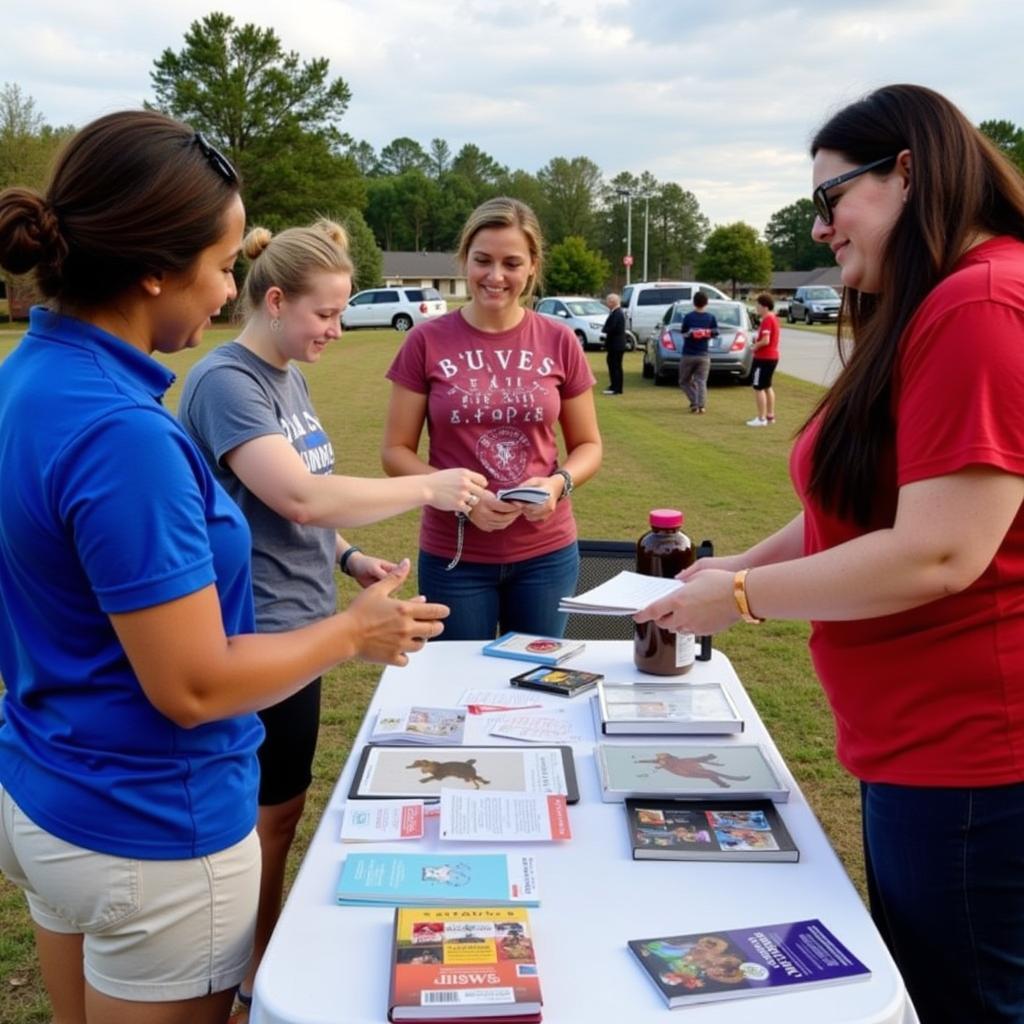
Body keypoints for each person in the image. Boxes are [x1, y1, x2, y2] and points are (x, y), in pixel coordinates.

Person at [0, 111, 449, 1024]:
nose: (229, 289)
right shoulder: (123, 434)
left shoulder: (29, 379)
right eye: (224, 263)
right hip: (154, 830)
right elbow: (195, 686)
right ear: (155, 269)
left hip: (51, 797)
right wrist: (352, 632)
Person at [635, 83, 1024, 1024]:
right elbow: (854, 512)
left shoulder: (981, 301)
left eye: (829, 199)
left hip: (974, 759)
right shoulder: (938, 303)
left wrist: (745, 597)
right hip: (919, 747)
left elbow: (937, 555)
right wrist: (724, 573)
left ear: (908, 171)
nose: (819, 228)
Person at [177, 221, 486, 1013]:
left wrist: (349, 559)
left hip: (306, 624)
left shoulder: (286, 375)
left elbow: (305, 506)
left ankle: (257, 963)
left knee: (282, 810)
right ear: (276, 301)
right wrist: (428, 486)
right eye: (326, 315)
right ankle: (239, 973)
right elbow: (300, 494)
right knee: (256, 822)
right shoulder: (225, 381)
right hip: (261, 631)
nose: (336, 330)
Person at [382, 197, 603, 641]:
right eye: (482, 260)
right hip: (454, 555)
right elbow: (394, 452)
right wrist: (463, 500)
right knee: (460, 692)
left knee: (539, 687)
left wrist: (557, 486)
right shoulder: (425, 342)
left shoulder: (559, 340)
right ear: (464, 259)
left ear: (532, 267)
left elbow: (589, 446)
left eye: (511, 263)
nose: (495, 276)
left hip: (547, 554)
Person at [677, 291, 717, 414]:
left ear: (694, 303)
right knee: (701, 381)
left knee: (684, 381)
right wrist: (706, 333)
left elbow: (683, 333)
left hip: (688, 354)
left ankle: (695, 402)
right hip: (704, 354)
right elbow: (715, 333)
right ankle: (701, 405)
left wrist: (692, 333)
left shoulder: (688, 317)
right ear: (706, 303)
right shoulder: (711, 318)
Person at [746, 292, 780, 426]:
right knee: (767, 386)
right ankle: (770, 416)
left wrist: (754, 346)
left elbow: (766, 340)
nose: (756, 308)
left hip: (764, 358)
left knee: (758, 387)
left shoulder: (767, 319)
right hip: (772, 357)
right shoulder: (774, 318)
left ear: (765, 306)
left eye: (758, 305)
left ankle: (761, 419)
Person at [601, 292, 627, 395]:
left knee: (615, 366)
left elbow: (613, 327)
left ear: (612, 302)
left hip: (616, 344)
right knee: (613, 364)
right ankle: (614, 385)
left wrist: (605, 329)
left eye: (608, 301)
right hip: (615, 344)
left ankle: (616, 388)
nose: (607, 303)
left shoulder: (617, 313)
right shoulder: (615, 312)